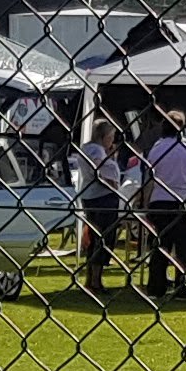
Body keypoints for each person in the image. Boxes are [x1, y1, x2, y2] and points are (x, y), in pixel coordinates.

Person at [139, 112, 186, 302]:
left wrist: (146, 204)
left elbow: (150, 180)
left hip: (160, 201)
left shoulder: (157, 149)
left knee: (160, 247)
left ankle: (156, 287)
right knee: (184, 249)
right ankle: (183, 288)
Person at [75, 115, 136, 295]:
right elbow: (98, 171)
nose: (113, 139)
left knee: (96, 238)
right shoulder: (96, 151)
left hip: (91, 196)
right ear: (103, 135)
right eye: (111, 135)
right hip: (103, 197)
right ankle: (95, 280)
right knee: (103, 238)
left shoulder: (89, 148)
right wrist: (111, 183)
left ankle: (91, 279)